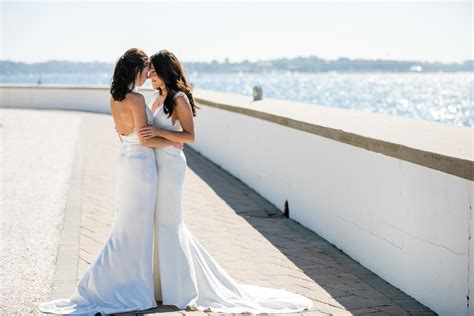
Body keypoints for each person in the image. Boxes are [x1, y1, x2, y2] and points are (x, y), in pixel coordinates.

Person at [138, 49, 313, 314]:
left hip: (172, 167)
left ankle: (181, 288)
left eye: (153, 71)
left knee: (169, 224)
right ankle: (162, 286)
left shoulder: (179, 98)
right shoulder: (155, 96)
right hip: (157, 164)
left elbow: (189, 137)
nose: (149, 75)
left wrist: (160, 132)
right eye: (148, 71)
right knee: (159, 223)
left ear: (165, 71)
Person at [38, 48, 181, 315]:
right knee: (137, 229)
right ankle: (133, 288)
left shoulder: (114, 99)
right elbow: (145, 139)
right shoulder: (136, 99)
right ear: (134, 70)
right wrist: (174, 140)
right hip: (141, 167)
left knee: (126, 226)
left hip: (126, 162)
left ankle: (121, 282)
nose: (148, 74)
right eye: (145, 69)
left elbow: (123, 135)